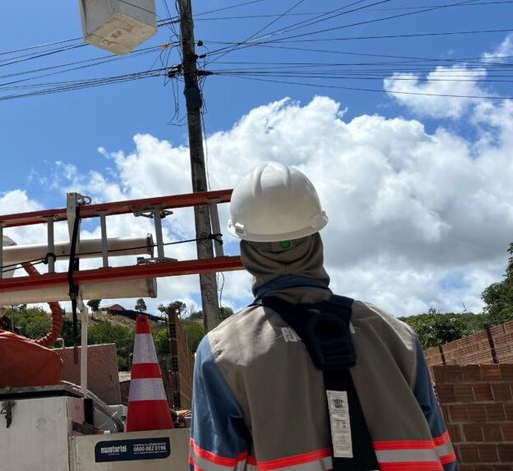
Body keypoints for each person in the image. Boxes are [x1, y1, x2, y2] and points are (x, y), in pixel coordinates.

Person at [189, 161, 456, 471]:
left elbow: (214, 466)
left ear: (247, 250)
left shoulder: (222, 352)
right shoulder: (396, 336)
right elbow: (443, 456)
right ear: (316, 239)